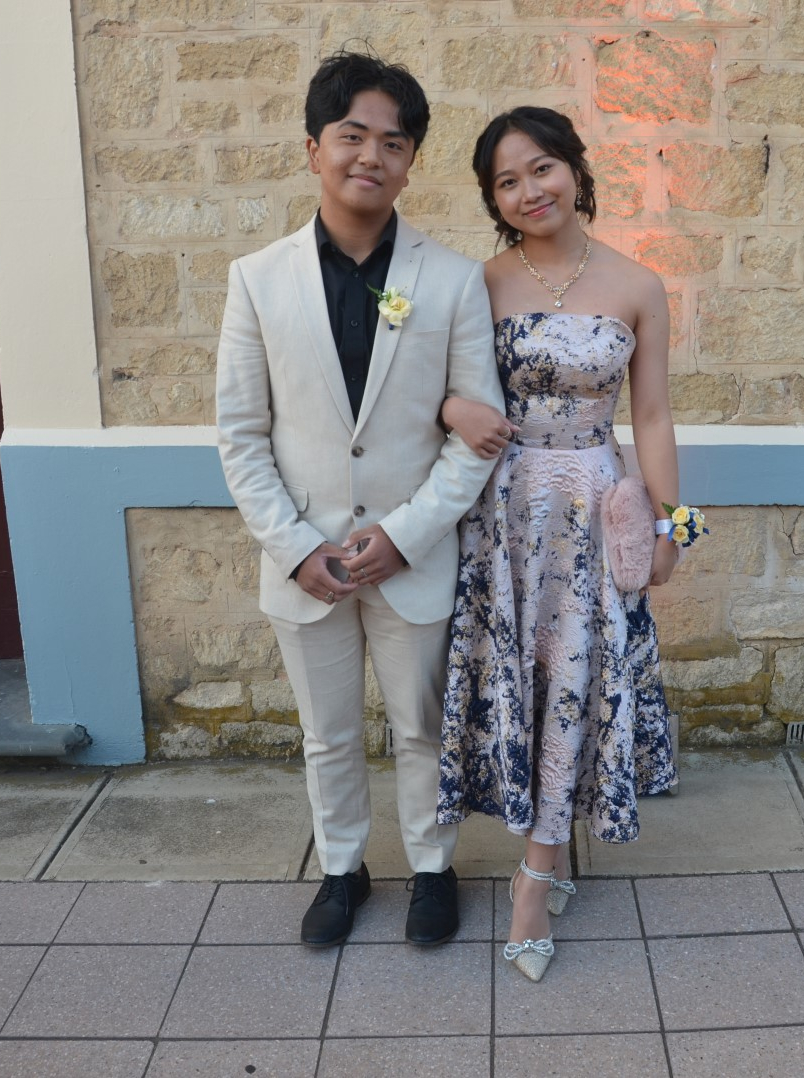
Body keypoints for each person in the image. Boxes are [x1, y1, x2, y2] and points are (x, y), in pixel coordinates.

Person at [216, 51, 504, 949]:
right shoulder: (257, 279)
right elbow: (241, 435)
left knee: (422, 727)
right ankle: (342, 868)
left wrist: (407, 535)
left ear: (411, 162)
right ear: (314, 149)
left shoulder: (452, 280)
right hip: (305, 559)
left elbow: (475, 436)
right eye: (351, 136)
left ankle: (432, 868)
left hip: (412, 555)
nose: (370, 156)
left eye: (393, 142)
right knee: (328, 733)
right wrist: (296, 546)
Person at [436, 107, 680, 981]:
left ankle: (534, 879)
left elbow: (653, 415)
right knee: (529, 679)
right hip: (504, 513)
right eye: (506, 181)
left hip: (594, 506)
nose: (528, 190)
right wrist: (452, 409)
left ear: (575, 168)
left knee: (580, 676)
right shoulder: (477, 284)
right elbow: (427, 389)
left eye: (541, 168)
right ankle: (547, 853)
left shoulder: (639, 284)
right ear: (492, 199)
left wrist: (674, 526)